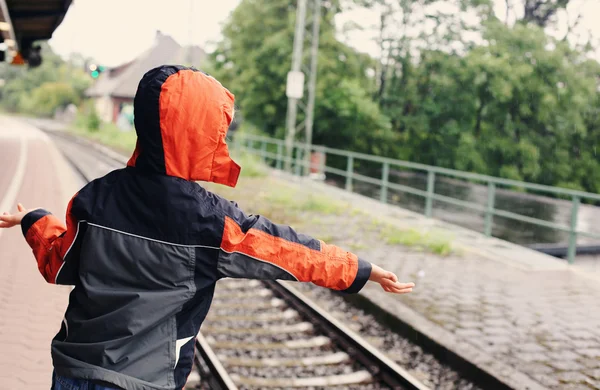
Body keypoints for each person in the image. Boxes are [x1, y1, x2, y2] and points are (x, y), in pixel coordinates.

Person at [0, 65, 415, 390]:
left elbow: (57, 265)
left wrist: (34, 220)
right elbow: (286, 251)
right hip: (146, 380)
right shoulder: (210, 221)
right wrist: (359, 269)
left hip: (72, 372)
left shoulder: (96, 197)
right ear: (200, 135)